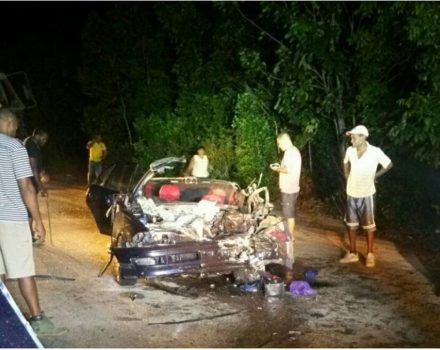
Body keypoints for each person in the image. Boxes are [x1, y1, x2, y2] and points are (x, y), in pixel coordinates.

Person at [0, 109, 65, 335]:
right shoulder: (14, 147)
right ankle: (37, 317)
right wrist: (37, 220)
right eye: (15, 127)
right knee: (22, 269)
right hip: (12, 218)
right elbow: (26, 186)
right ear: (10, 125)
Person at [339, 125, 393, 268]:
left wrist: (376, 175)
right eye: (351, 137)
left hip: (367, 193)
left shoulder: (375, 152)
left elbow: (388, 164)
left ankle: (370, 254)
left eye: (354, 137)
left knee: (369, 226)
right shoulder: (350, 151)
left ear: (363, 137)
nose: (351, 140)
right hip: (351, 192)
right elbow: (345, 162)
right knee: (351, 225)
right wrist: (346, 175)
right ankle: (353, 253)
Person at [270, 132, 302, 269]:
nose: (278, 145)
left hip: (289, 188)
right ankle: (290, 236)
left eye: (279, 143)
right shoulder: (293, 151)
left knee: (289, 215)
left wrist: (276, 168)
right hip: (291, 187)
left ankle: (289, 238)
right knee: (288, 213)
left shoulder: (290, 152)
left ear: (284, 140)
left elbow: (287, 169)